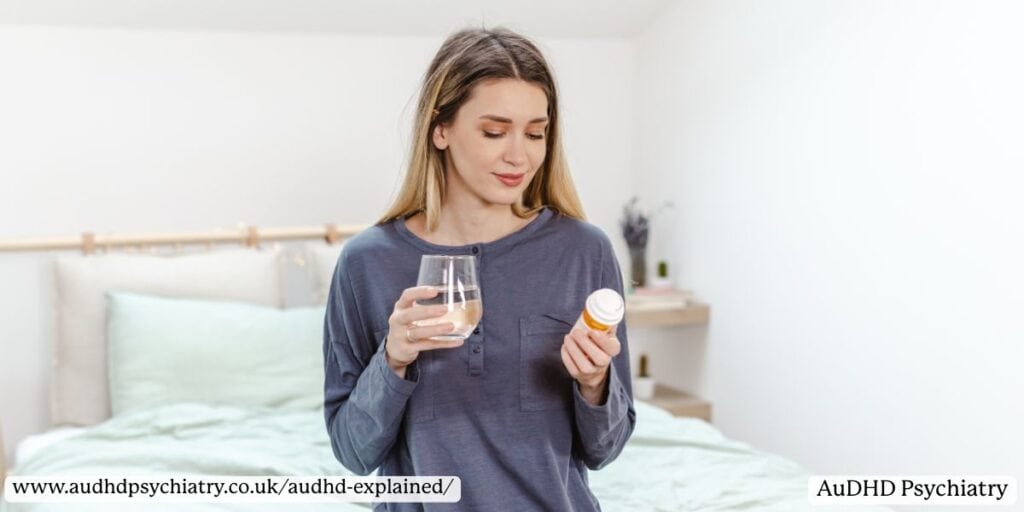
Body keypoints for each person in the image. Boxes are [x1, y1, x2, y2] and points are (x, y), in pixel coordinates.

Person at [323, 27, 635, 511]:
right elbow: (353, 452)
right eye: (494, 132)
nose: (520, 155)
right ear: (440, 128)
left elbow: (605, 450)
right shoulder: (368, 262)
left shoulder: (582, 251)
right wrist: (394, 358)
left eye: (536, 133)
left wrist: (595, 383)